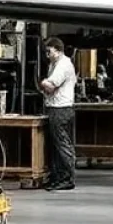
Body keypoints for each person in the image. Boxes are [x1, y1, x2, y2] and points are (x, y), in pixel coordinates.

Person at [40, 37, 77, 191]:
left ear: (58, 50)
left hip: (60, 110)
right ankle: (57, 176)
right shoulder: (54, 64)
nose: (47, 55)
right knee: (55, 146)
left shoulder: (63, 65)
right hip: (56, 108)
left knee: (62, 145)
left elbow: (50, 86)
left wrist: (42, 82)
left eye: (49, 51)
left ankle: (66, 178)